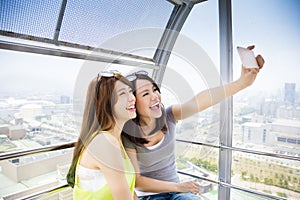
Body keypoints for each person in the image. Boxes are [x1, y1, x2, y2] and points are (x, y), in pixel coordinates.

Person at [122, 45, 265, 199]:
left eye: (155, 89)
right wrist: (179, 186)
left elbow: (202, 100)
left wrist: (242, 83)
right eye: (145, 94)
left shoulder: (169, 116)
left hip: (177, 194)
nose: (155, 96)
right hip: (151, 196)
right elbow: (136, 181)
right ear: (133, 102)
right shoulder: (128, 134)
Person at [67, 70, 138, 200]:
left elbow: (130, 192)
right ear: (106, 103)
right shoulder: (104, 142)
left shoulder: (115, 139)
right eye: (123, 93)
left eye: (130, 91)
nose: (132, 98)